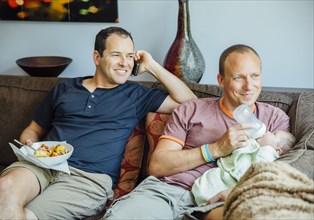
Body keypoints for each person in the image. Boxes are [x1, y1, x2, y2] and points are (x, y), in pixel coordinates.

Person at [0, 26, 197, 220]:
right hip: (42, 164)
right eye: (116, 55)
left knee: (28, 216)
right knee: (5, 186)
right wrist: (30, 143)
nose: (125, 63)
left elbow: (193, 105)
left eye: (130, 56)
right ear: (97, 57)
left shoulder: (137, 94)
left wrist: (152, 66)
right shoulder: (65, 89)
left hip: (88, 179)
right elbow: (32, 130)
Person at [102, 44, 291, 220]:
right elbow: (157, 165)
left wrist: (240, 192)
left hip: (221, 197)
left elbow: (280, 174)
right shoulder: (191, 109)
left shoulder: (275, 119)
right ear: (221, 80)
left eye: (255, 76)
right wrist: (215, 149)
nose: (249, 86)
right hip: (166, 192)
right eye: (238, 77)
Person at [192, 130, 296, 206]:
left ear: (277, 150)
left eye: (273, 134)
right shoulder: (257, 146)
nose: (268, 131)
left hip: (232, 184)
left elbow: (256, 170)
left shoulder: (267, 154)